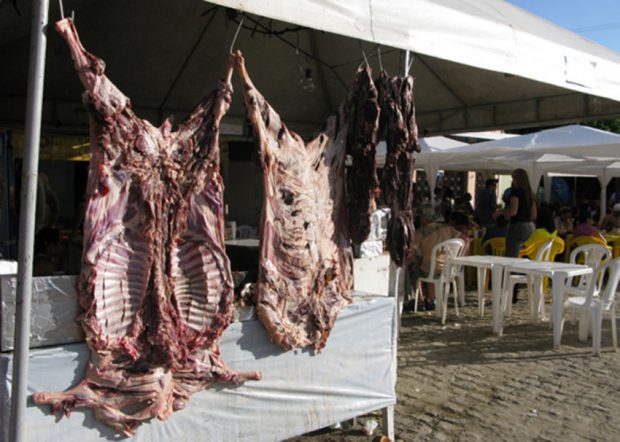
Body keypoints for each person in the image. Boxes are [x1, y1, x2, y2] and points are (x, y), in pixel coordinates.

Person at [410, 205, 470, 311]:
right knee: (430, 265)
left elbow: (411, 253)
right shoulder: (448, 228)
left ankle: (420, 300)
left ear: (423, 219)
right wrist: (459, 259)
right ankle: (431, 299)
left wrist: (416, 260)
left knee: (415, 268)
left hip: (432, 270)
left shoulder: (420, 233)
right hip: (449, 269)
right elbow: (466, 239)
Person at [500, 168, 537, 258]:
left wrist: (500, 212)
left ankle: (510, 272)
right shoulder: (530, 193)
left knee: (511, 256)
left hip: (518, 227)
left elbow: (513, 211)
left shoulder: (516, 192)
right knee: (525, 255)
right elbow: (534, 215)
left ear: (516, 179)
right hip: (530, 227)